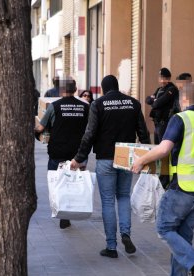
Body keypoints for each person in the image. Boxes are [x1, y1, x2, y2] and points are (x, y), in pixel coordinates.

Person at [132, 82, 194, 276]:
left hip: (184, 187)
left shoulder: (180, 119)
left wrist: (141, 161)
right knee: (183, 234)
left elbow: (164, 148)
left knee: (164, 228)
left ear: (185, 100)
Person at [70, 75, 150, 258]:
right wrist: (147, 158)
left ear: (103, 89)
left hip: (105, 158)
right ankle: (126, 234)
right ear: (117, 86)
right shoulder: (133, 103)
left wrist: (79, 158)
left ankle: (111, 247)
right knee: (123, 196)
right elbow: (143, 133)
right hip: (127, 158)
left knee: (107, 201)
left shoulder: (98, 104)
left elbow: (89, 134)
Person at [35, 77, 89, 229]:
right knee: (73, 182)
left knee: (57, 182)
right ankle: (68, 212)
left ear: (62, 90)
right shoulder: (85, 107)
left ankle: (61, 212)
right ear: (75, 90)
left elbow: (40, 128)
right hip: (77, 154)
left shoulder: (54, 106)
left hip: (57, 152)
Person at [146, 67, 179, 144]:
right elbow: (147, 100)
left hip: (165, 123)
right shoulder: (159, 89)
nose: (162, 79)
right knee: (157, 146)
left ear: (168, 78)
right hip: (157, 123)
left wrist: (154, 100)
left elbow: (158, 103)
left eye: (164, 77)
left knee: (162, 147)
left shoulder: (172, 89)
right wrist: (154, 100)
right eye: (161, 77)